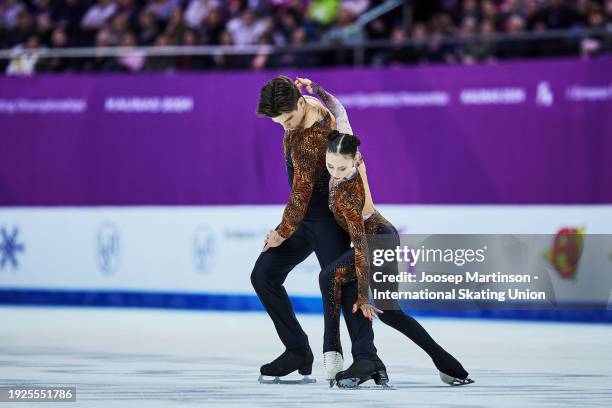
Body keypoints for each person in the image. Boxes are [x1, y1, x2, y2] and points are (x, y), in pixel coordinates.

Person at [299, 79, 474, 387]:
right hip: (384, 234)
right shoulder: (343, 144)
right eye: (330, 167)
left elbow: (362, 247)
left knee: (328, 277)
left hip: (375, 238)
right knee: (392, 313)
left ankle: (331, 351)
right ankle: (450, 366)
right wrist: (316, 90)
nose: (335, 173)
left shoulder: (349, 192)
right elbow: (339, 110)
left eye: (342, 168)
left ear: (356, 160)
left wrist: (364, 296)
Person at [252, 76, 384, 384]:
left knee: (344, 284)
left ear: (299, 104)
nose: (283, 126)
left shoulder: (309, 140)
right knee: (264, 275)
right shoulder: (309, 105)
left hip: (324, 218)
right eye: (277, 121)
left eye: (286, 119)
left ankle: (366, 356)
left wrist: (281, 233)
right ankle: (297, 349)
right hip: (303, 219)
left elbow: (300, 196)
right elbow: (335, 106)